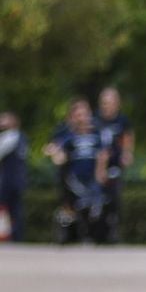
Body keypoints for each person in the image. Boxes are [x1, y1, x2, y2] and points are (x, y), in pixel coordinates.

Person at [46, 98, 108, 245]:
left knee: (93, 205)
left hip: (91, 177)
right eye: (78, 115)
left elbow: (102, 155)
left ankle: (90, 236)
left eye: (85, 114)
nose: (82, 118)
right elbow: (55, 149)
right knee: (73, 206)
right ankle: (67, 235)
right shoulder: (67, 134)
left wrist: (101, 172)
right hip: (73, 178)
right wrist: (56, 155)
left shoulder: (96, 134)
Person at [96, 86, 133, 244]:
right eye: (105, 102)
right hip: (97, 165)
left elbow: (127, 138)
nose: (108, 106)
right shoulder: (95, 120)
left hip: (114, 164)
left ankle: (113, 231)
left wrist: (127, 153)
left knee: (114, 197)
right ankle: (97, 231)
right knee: (97, 197)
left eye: (111, 102)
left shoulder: (122, 120)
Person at [0, 112, 25, 242]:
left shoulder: (10, 136)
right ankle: (16, 236)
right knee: (15, 209)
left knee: (8, 208)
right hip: (18, 179)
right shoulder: (22, 137)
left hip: (8, 179)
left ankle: (10, 236)